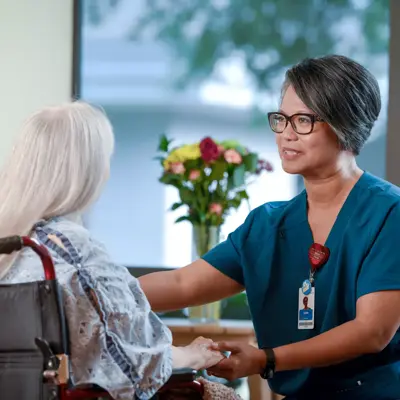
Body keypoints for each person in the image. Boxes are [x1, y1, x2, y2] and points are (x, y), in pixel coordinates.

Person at [139, 55, 400, 399]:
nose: (286, 135)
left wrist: (267, 359)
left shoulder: (388, 212)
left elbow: (372, 331)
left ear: (345, 124)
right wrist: (96, 293)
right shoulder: (267, 224)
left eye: (303, 121)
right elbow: (182, 283)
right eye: (281, 119)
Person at [0, 102, 224, 400]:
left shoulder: (12, 247)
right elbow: (136, 366)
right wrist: (190, 356)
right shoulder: (75, 254)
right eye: (105, 159)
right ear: (86, 171)